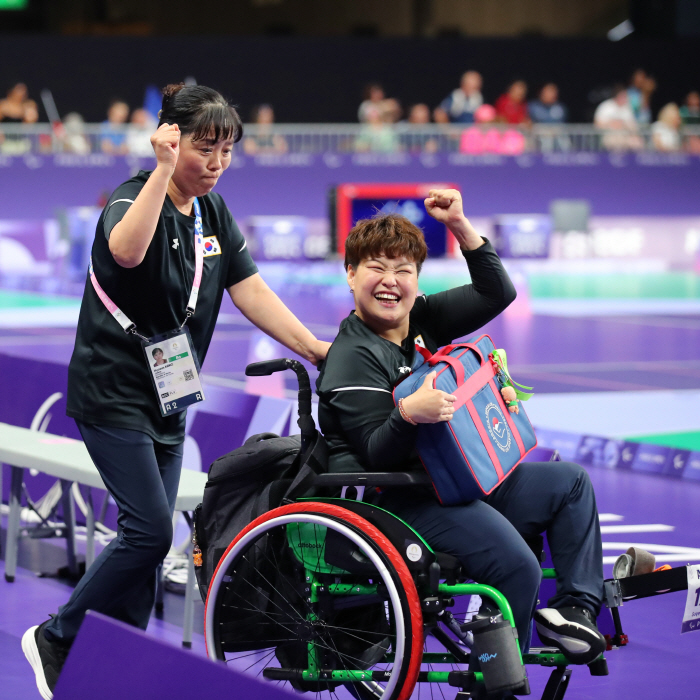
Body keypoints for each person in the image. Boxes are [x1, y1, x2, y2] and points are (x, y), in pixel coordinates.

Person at [22, 83, 330, 700]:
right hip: (113, 393)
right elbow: (126, 253)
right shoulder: (135, 199)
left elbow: (249, 289)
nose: (215, 164)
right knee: (149, 533)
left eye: (225, 151)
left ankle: (113, 664)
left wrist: (316, 348)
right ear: (169, 137)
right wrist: (164, 170)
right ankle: (56, 636)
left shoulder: (214, 214)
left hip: (170, 396)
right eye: (203, 148)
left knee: (145, 538)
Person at [316, 191, 606, 671]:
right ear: (350, 273)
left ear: (416, 279)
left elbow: (498, 293)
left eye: (403, 270)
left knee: (568, 483)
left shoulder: (421, 319)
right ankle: (494, 675)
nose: (390, 282)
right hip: (399, 501)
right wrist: (408, 413)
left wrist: (458, 223)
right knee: (517, 566)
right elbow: (375, 456)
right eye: (375, 268)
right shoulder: (352, 357)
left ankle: (575, 611)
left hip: (450, 480)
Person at [594, 85, 642, 151]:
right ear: (618, 96)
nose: (626, 98)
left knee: (637, 142)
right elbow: (597, 124)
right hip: (609, 135)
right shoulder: (606, 106)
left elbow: (633, 126)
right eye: (624, 96)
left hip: (624, 135)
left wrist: (623, 124)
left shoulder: (627, 108)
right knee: (615, 143)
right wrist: (611, 123)